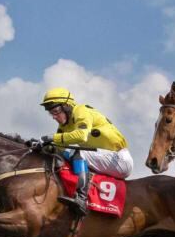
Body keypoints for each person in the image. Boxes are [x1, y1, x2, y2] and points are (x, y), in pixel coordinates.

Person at [34, 88, 134, 217]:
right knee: (62, 154)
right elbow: (59, 147)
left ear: (66, 106)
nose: (54, 117)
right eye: (51, 113)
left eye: (56, 111)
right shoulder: (64, 126)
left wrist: (49, 138)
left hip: (119, 159)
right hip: (104, 158)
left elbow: (81, 136)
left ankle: (81, 198)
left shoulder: (81, 111)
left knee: (77, 152)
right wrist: (42, 147)